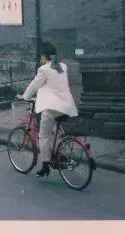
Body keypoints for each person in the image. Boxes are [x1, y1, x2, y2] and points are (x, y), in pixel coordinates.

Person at [16, 42, 78, 177]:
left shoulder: (44, 69)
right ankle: (60, 152)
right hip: (67, 106)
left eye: (41, 56)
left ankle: (45, 166)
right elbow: (54, 85)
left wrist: (24, 96)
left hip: (52, 108)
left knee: (43, 136)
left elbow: (34, 85)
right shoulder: (63, 66)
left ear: (44, 56)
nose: (41, 59)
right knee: (54, 131)